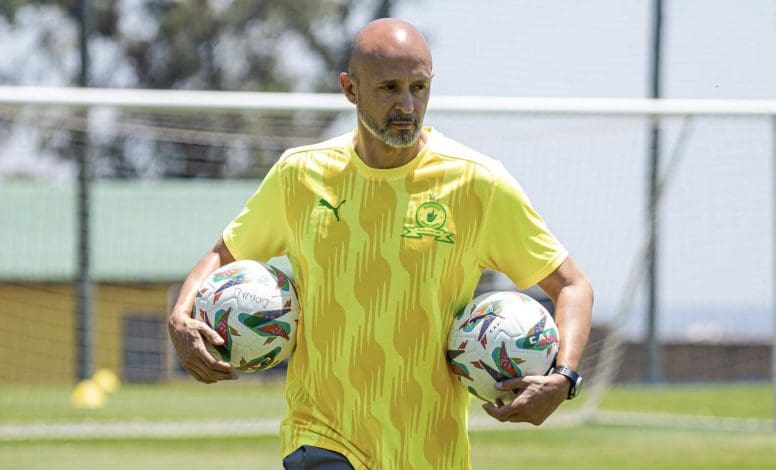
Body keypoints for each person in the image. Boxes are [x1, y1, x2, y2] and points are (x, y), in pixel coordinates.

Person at [168, 18, 593, 470]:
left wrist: (564, 376)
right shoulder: (300, 175)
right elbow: (223, 255)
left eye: (419, 87)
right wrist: (180, 314)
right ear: (350, 89)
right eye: (389, 88)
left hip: (430, 453)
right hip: (321, 436)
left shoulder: (478, 184)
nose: (407, 105)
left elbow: (572, 286)